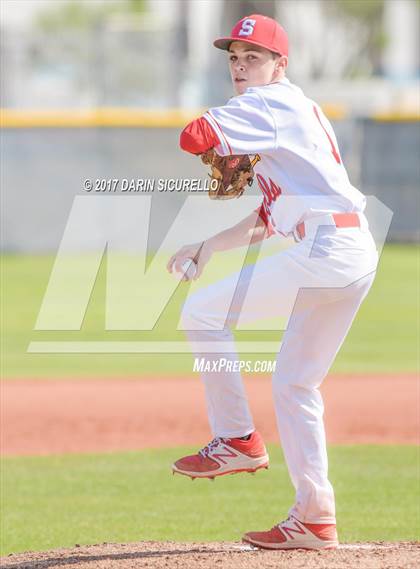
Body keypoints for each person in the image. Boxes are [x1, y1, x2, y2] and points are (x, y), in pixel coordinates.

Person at [167, 14, 378, 550]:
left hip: (327, 250)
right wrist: (208, 245)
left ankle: (236, 438)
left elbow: (193, 136)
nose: (240, 67)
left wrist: (224, 138)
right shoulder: (294, 109)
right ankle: (315, 516)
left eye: (253, 57)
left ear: (280, 64)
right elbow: (270, 212)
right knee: (294, 384)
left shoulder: (266, 104)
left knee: (201, 313)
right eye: (234, 59)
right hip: (348, 249)